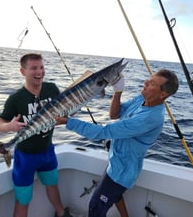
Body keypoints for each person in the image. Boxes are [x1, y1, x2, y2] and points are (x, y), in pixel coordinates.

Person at [55, 69, 179, 217]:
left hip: (122, 172)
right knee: (114, 195)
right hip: (117, 161)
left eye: (152, 83)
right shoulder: (142, 99)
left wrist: (67, 122)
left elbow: (102, 132)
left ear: (163, 94)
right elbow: (115, 114)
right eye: (148, 79)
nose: (145, 83)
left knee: (95, 207)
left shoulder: (150, 118)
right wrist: (118, 91)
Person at [0, 53, 72, 217]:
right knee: (23, 199)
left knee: (53, 185)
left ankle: (61, 213)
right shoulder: (16, 99)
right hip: (25, 158)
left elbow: (64, 110)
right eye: (34, 68)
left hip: (48, 152)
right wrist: (10, 126)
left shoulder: (51, 89)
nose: (39, 71)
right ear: (23, 71)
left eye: (42, 67)